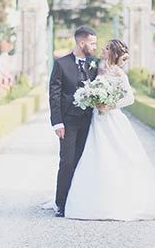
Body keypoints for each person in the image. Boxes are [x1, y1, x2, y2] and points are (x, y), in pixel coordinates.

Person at [63, 39, 155, 221]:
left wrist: (110, 105)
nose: (102, 49)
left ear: (113, 53)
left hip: (112, 120)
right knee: (96, 155)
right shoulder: (99, 69)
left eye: (106, 48)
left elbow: (129, 98)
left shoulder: (119, 74)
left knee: (119, 155)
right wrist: (91, 98)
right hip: (97, 122)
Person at [48, 26, 99, 218]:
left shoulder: (95, 63)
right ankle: (61, 203)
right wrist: (57, 123)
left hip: (89, 122)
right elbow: (54, 95)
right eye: (92, 43)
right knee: (67, 162)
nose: (95, 46)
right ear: (81, 43)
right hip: (68, 122)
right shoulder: (61, 64)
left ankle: (79, 201)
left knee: (83, 161)